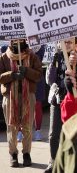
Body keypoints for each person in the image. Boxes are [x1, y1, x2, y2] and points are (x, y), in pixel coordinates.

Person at [0, 39, 42, 167]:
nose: (17, 41)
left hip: (28, 95)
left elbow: (39, 75)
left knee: (27, 127)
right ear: (11, 40)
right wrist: (12, 75)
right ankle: (13, 154)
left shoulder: (32, 56)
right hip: (9, 96)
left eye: (20, 38)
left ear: (24, 39)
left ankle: (26, 154)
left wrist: (27, 71)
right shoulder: (3, 57)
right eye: (15, 39)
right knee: (11, 126)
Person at [44, 38, 75, 173]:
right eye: (64, 42)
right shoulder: (55, 57)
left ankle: (70, 162)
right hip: (56, 100)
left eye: (69, 42)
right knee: (53, 134)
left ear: (74, 44)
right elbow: (49, 80)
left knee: (72, 134)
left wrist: (75, 65)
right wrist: (53, 64)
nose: (66, 45)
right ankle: (53, 161)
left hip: (73, 99)